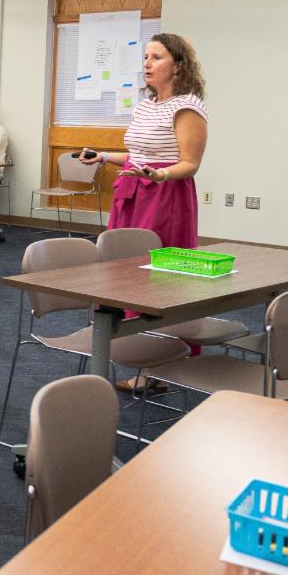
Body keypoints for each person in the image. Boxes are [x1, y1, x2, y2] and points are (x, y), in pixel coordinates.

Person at [80, 32, 209, 392]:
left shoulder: (187, 107)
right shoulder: (145, 105)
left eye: (157, 58)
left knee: (158, 279)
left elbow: (190, 163)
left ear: (178, 65)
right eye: (146, 57)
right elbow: (137, 154)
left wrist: (160, 174)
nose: (147, 64)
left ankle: (160, 365)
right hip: (134, 192)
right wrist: (103, 156)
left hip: (166, 197)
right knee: (125, 272)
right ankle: (135, 353)